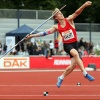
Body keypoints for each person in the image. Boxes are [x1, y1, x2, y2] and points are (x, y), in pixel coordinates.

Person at [25, 1, 95, 88]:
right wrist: (31, 35)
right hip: (67, 45)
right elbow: (45, 33)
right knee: (76, 54)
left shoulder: (69, 19)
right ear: (55, 17)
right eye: (59, 14)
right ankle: (85, 74)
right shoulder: (56, 27)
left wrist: (84, 5)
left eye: (61, 13)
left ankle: (61, 77)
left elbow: (77, 12)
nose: (61, 14)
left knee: (73, 65)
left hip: (75, 44)